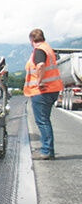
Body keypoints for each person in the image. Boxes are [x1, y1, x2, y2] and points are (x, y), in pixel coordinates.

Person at [24, 28, 63, 160]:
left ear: (31, 40)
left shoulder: (39, 50)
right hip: (52, 89)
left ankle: (46, 151)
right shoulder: (48, 48)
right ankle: (48, 150)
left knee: (42, 121)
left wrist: (39, 81)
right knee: (45, 120)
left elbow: (40, 65)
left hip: (42, 91)